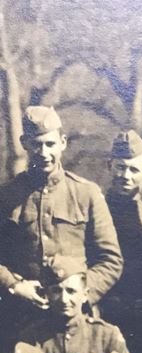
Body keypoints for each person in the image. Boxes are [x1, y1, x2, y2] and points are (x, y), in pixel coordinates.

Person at [0, 106, 123, 337]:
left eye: (50, 144)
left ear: (63, 142)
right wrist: (14, 286)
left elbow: (111, 260)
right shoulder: (6, 196)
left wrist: (80, 293)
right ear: (24, 143)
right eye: (36, 144)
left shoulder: (87, 193)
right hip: (22, 317)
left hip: (78, 319)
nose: (44, 153)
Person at [19, 256, 128, 353]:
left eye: (71, 291)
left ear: (85, 295)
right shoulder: (32, 337)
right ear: (47, 295)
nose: (64, 299)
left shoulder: (106, 335)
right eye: (56, 291)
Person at [101, 130, 142, 353]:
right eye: (120, 167)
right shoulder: (94, 210)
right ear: (109, 166)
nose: (126, 176)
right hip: (103, 311)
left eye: (134, 169)